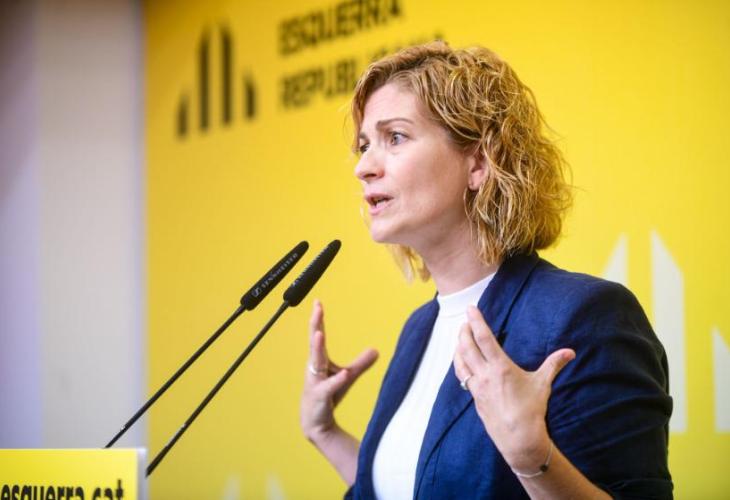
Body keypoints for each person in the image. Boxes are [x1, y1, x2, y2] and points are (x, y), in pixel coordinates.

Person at [300, 41, 673, 499]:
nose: (363, 167)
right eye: (363, 146)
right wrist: (325, 432)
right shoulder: (419, 330)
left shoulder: (585, 317)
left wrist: (532, 458)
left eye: (394, 137)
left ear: (478, 162)